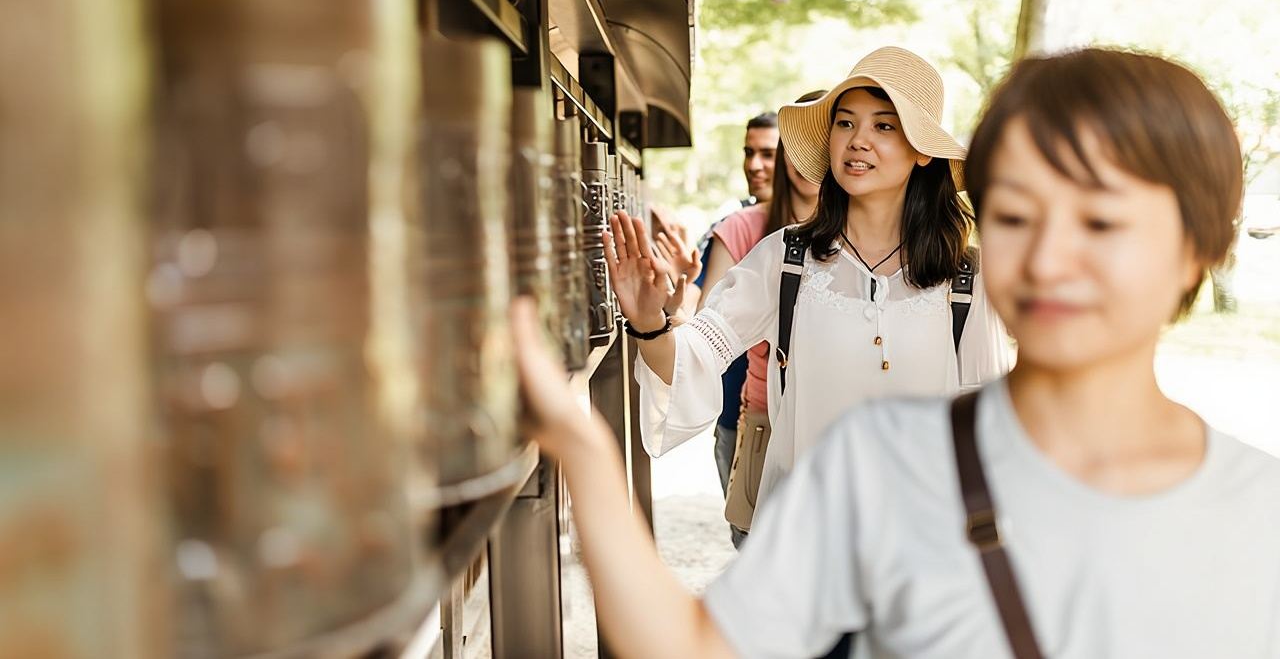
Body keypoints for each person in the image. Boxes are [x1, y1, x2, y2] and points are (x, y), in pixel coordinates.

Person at [511, 47, 1280, 658]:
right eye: (1017, 214)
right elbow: (694, 647)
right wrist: (585, 443)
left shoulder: (1257, 513)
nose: (1048, 257)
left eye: (1101, 222)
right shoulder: (873, 460)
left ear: (1197, 248)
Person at [615, 47, 1008, 511]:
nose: (858, 140)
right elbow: (695, 357)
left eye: (883, 125)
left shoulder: (967, 278)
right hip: (805, 537)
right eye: (845, 123)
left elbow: (995, 428)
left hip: (923, 544)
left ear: (922, 152)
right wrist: (648, 324)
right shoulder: (787, 258)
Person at [700, 94, 824, 548]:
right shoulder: (745, 229)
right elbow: (705, 321)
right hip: (756, 415)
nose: (757, 163)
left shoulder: (876, 234)